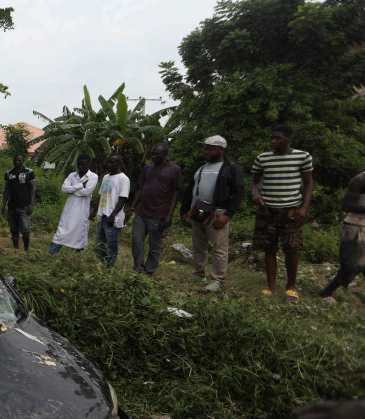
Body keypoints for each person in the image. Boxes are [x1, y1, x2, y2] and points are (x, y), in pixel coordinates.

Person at [250, 124, 314, 298]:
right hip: (267, 210)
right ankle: (271, 287)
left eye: (277, 138)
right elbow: (254, 182)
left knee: (292, 249)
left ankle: (291, 286)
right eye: (272, 138)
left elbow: (308, 183)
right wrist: (255, 193)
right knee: (269, 248)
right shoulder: (262, 158)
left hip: (291, 211)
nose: (273, 141)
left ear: (289, 139)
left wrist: (304, 208)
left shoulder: (303, 156)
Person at [179, 136, 245, 292]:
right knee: (198, 245)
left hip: (218, 213)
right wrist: (184, 211)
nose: (206, 151)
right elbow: (190, 190)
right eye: (205, 148)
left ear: (220, 150)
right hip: (197, 211)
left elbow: (239, 192)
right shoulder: (200, 166)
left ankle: (217, 279)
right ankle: (198, 274)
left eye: (210, 149)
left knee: (219, 248)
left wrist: (228, 214)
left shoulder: (231, 168)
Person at [127, 143, 182, 276]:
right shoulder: (147, 168)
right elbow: (141, 189)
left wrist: (170, 215)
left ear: (165, 154)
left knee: (154, 244)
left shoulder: (174, 169)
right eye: (152, 153)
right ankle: (138, 267)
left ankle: (149, 270)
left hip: (158, 213)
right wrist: (131, 207)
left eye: (157, 154)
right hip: (141, 212)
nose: (153, 156)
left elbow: (175, 193)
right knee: (136, 240)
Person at [317, 171, 365, 300]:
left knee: (361, 266)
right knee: (351, 266)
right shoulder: (360, 180)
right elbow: (347, 204)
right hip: (355, 227)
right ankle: (326, 293)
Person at [49, 155, 98, 254]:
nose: (80, 167)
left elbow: (86, 192)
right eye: (78, 165)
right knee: (61, 232)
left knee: (80, 234)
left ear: (88, 165)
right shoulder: (72, 175)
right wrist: (80, 185)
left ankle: (78, 258)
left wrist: (71, 190)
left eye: (82, 165)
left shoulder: (93, 176)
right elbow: (63, 189)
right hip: (69, 209)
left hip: (82, 211)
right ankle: (50, 254)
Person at [88, 154, 130, 267]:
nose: (109, 165)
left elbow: (123, 199)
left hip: (112, 218)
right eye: (108, 162)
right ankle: (105, 263)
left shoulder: (123, 179)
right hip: (102, 216)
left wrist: (113, 215)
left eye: (113, 162)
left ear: (119, 164)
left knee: (112, 243)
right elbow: (102, 195)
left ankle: (110, 266)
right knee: (99, 243)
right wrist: (94, 211)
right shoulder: (106, 177)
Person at [2, 153, 36, 250]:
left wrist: (31, 204)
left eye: (19, 160)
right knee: (13, 228)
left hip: (25, 206)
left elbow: (33, 189)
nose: (17, 162)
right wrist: (4, 205)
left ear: (23, 161)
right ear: (13, 161)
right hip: (12, 206)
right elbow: (6, 190)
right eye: (16, 160)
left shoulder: (29, 172)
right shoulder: (9, 173)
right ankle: (16, 249)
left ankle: (26, 249)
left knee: (25, 229)